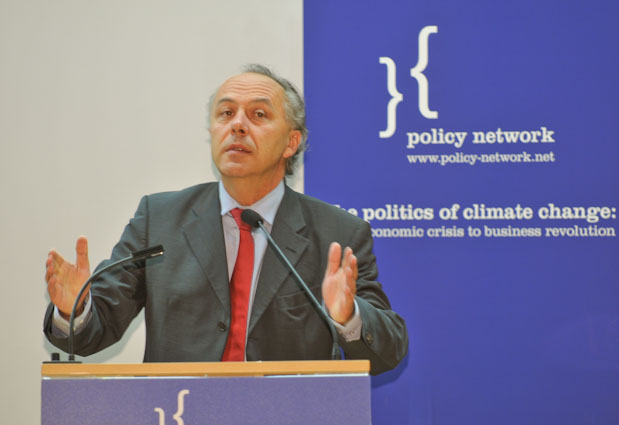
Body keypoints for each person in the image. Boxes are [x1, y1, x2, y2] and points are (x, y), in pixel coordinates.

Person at [44, 64, 408, 375]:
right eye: (226, 113)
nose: (237, 125)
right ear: (212, 132)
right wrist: (74, 309)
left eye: (259, 115)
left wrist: (348, 316)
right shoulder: (160, 219)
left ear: (291, 142)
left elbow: (387, 352)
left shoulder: (338, 233)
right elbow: (94, 331)